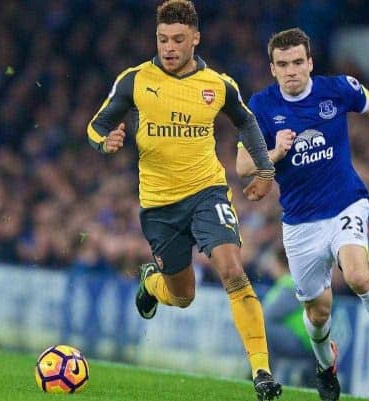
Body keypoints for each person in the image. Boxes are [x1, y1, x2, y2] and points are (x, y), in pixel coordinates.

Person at [87, 1, 281, 399]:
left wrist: (265, 170)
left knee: (231, 268)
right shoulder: (135, 80)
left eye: (178, 39)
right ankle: (150, 283)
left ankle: (261, 372)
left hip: (207, 192)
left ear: (195, 38)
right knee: (183, 295)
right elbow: (96, 124)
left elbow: (245, 121)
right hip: (159, 206)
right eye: (162, 39)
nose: (169, 47)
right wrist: (105, 143)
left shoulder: (218, 85)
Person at [236, 28, 369, 401]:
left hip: (346, 203)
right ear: (272, 69)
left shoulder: (336, 89)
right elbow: (242, 166)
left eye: (298, 62)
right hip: (299, 223)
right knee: (318, 313)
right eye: (283, 65)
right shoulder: (261, 106)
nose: (292, 71)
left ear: (310, 62)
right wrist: (276, 154)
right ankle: (324, 366)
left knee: (360, 277)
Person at [261, 250, 313, 386]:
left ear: (279, 263)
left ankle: (263, 372)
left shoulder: (290, 285)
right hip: (295, 338)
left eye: (271, 262)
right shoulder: (285, 283)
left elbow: (270, 313)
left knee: (261, 328)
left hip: (301, 341)